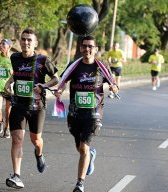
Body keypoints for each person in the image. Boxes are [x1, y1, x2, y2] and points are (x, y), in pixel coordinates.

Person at [54, 35, 118, 192]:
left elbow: (114, 83)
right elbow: (62, 82)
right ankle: (91, 155)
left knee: (83, 148)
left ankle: (80, 184)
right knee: (80, 147)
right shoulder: (74, 66)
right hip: (75, 113)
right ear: (81, 48)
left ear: (95, 49)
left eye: (90, 46)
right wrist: (59, 91)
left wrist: (114, 88)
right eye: (84, 46)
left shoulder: (102, 67)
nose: (87, 49)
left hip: (94, 113)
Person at [3, 28, 59, 189]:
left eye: (29, 40)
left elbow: (56, 78)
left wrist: (44, 85)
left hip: (37, 107)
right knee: (17, 139)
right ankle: (17, 175)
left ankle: (39, 153)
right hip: (19, 105)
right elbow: (17, 74)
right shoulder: (14, 57)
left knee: (36, 140)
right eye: (23, 39)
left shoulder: (43, 60)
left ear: (35, 43)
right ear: (20, 41)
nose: (26, 42)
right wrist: (9, 82)